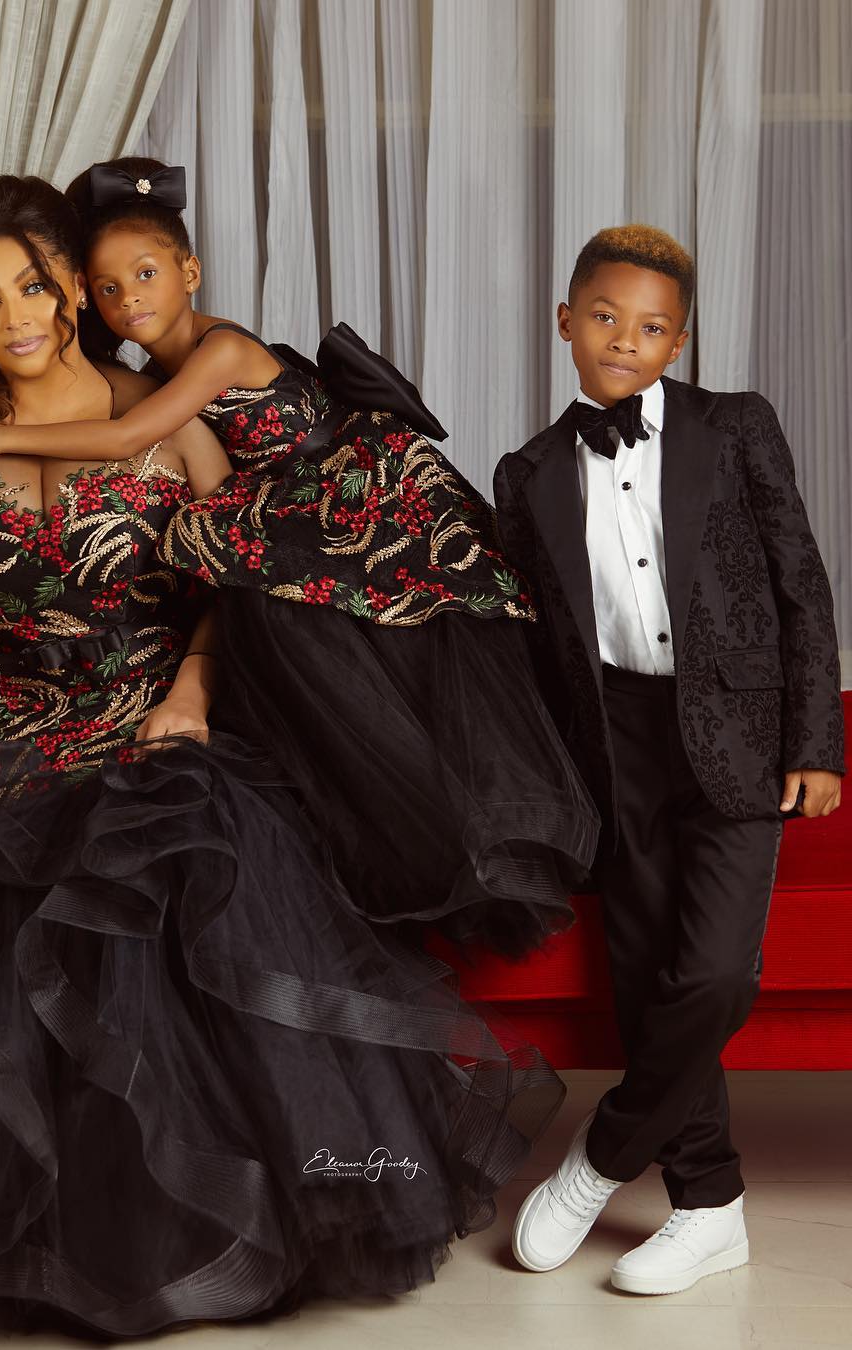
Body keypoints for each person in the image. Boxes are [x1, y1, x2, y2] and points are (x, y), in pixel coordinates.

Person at [0, 174, 565, 1339]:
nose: (15, 318)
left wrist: (191, 697)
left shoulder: (168, 414)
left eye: (34, 287)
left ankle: (191, 1236)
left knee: (165, 895)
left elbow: (241, 583)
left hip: (157, 730)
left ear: (75, 289)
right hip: (12, 741)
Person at [0, 156, 600, 959]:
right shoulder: (152, 367)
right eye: (109, 288)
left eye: (145, 275)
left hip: (357, 491)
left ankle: (474, 835)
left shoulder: (216, 349)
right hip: (292, 509)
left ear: (190, 272)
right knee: (285, 643)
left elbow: (126, 436)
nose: (129, 299)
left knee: (342, 646)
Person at [496, 224, 844, 1296]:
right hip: (617, 744)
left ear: (678, 342)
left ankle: (602, 1153)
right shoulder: (528, 473)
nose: (624, 340)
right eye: (605, 318)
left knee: (715, 974)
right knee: (649, 981)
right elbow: (537, 645)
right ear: (566, 320)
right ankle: (708, 1206)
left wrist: (816, 742)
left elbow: (800, 581)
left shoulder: (735, 426)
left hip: (740, 739)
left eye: (651, 328)